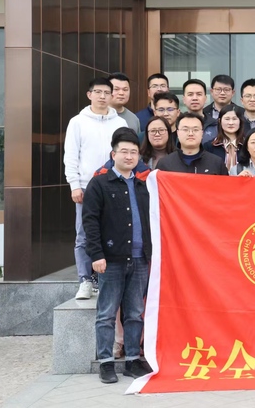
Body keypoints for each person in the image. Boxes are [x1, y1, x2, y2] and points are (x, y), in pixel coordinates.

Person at [82, 129, 153, 384]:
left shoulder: (143, 185)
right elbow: (90, 222)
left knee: (135, 312)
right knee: (106, 313)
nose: (129, 156)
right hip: (110, 260)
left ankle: (133, 359)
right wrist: (96, 254)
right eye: (124, 151)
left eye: (134, 152)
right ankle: (105, 362)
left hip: (140, 259)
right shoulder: (99, 183)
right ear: (113, 155)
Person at [64, 77, 128, 300]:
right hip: (86, 187)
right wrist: (74, 185)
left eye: (106, 92)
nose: (102, 96)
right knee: (84, 234)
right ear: (89, 94)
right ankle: (85, 279)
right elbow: (71, 156)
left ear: (112, 96)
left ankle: (103, 279)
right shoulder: (77, 122)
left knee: (111, 232)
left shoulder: (120, 123)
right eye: (98, 92)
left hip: (115, 186)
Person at [156, 113, 229, 175]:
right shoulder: (165, 164)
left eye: (195, 130)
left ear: (202, 133)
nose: (190, 133)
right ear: (178, 133)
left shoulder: (216, 163)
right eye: (185, 129)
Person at [203, 104, 245, 169]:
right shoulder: (209, 146)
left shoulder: (247, 146)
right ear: (219, 121)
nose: (231, 123)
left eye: (234, 119)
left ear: (240, 121)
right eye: (227, 119)